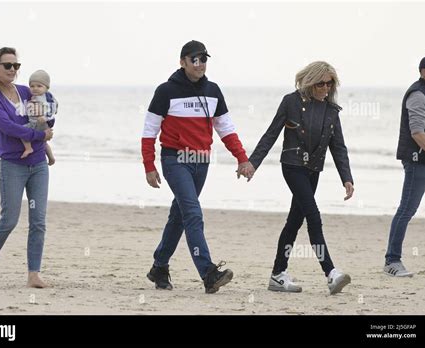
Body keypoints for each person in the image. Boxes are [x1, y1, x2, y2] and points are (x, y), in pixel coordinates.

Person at [141, 40, 250, 293]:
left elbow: (225, 128)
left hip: (202, 162)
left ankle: (159, 267)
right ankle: (209, 273)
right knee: (193, 213)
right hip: (174, 160)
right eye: (195, 59)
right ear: (183, 62)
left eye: (203, 59)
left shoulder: (213, 91)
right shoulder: (165, 91)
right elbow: (149, 131)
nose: (200, 64)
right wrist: (149, 165)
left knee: (179, 216)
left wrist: (242, 158)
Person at [240, 61, 354, 295]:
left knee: (294, 222)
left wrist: (347, 178)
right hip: (292, 166)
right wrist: (253, 163)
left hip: (313, 170)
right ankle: (331, 273)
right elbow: (271, 134)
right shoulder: (290, 102)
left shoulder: (332, 111)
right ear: (310, 82)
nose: (325, 88)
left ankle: (277, 275)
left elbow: (338, 147)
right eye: (320, 83)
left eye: (329, 83)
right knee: (313, 216)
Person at [0, 47, 54, 288]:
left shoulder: (25, 91)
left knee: (38, 221)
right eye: (7, 65)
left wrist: (48, 123)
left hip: (38, 164)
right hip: (12, 165)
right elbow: (9, 127)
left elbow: (47, 108)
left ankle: (33, 274)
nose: (12, 70)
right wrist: (39, 135)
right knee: (9, 219)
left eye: (16, 66)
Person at [384, 55, 425, 277]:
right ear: (424, 71)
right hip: (417, 162)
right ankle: (392, 261)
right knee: (407, 210)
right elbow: (417, 132)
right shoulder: (418, 94)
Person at [22, 69, 58, 166]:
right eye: (32, 86)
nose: (35, 88)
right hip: (36, 122)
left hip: (41, 123)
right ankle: (51, 158)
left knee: (23, 131)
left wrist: (45, 117)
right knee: (44, 143)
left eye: (39, 86)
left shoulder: (47, 97)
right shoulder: (35, 96)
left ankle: (28, 148)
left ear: (46, 88)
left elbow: (53, 108)